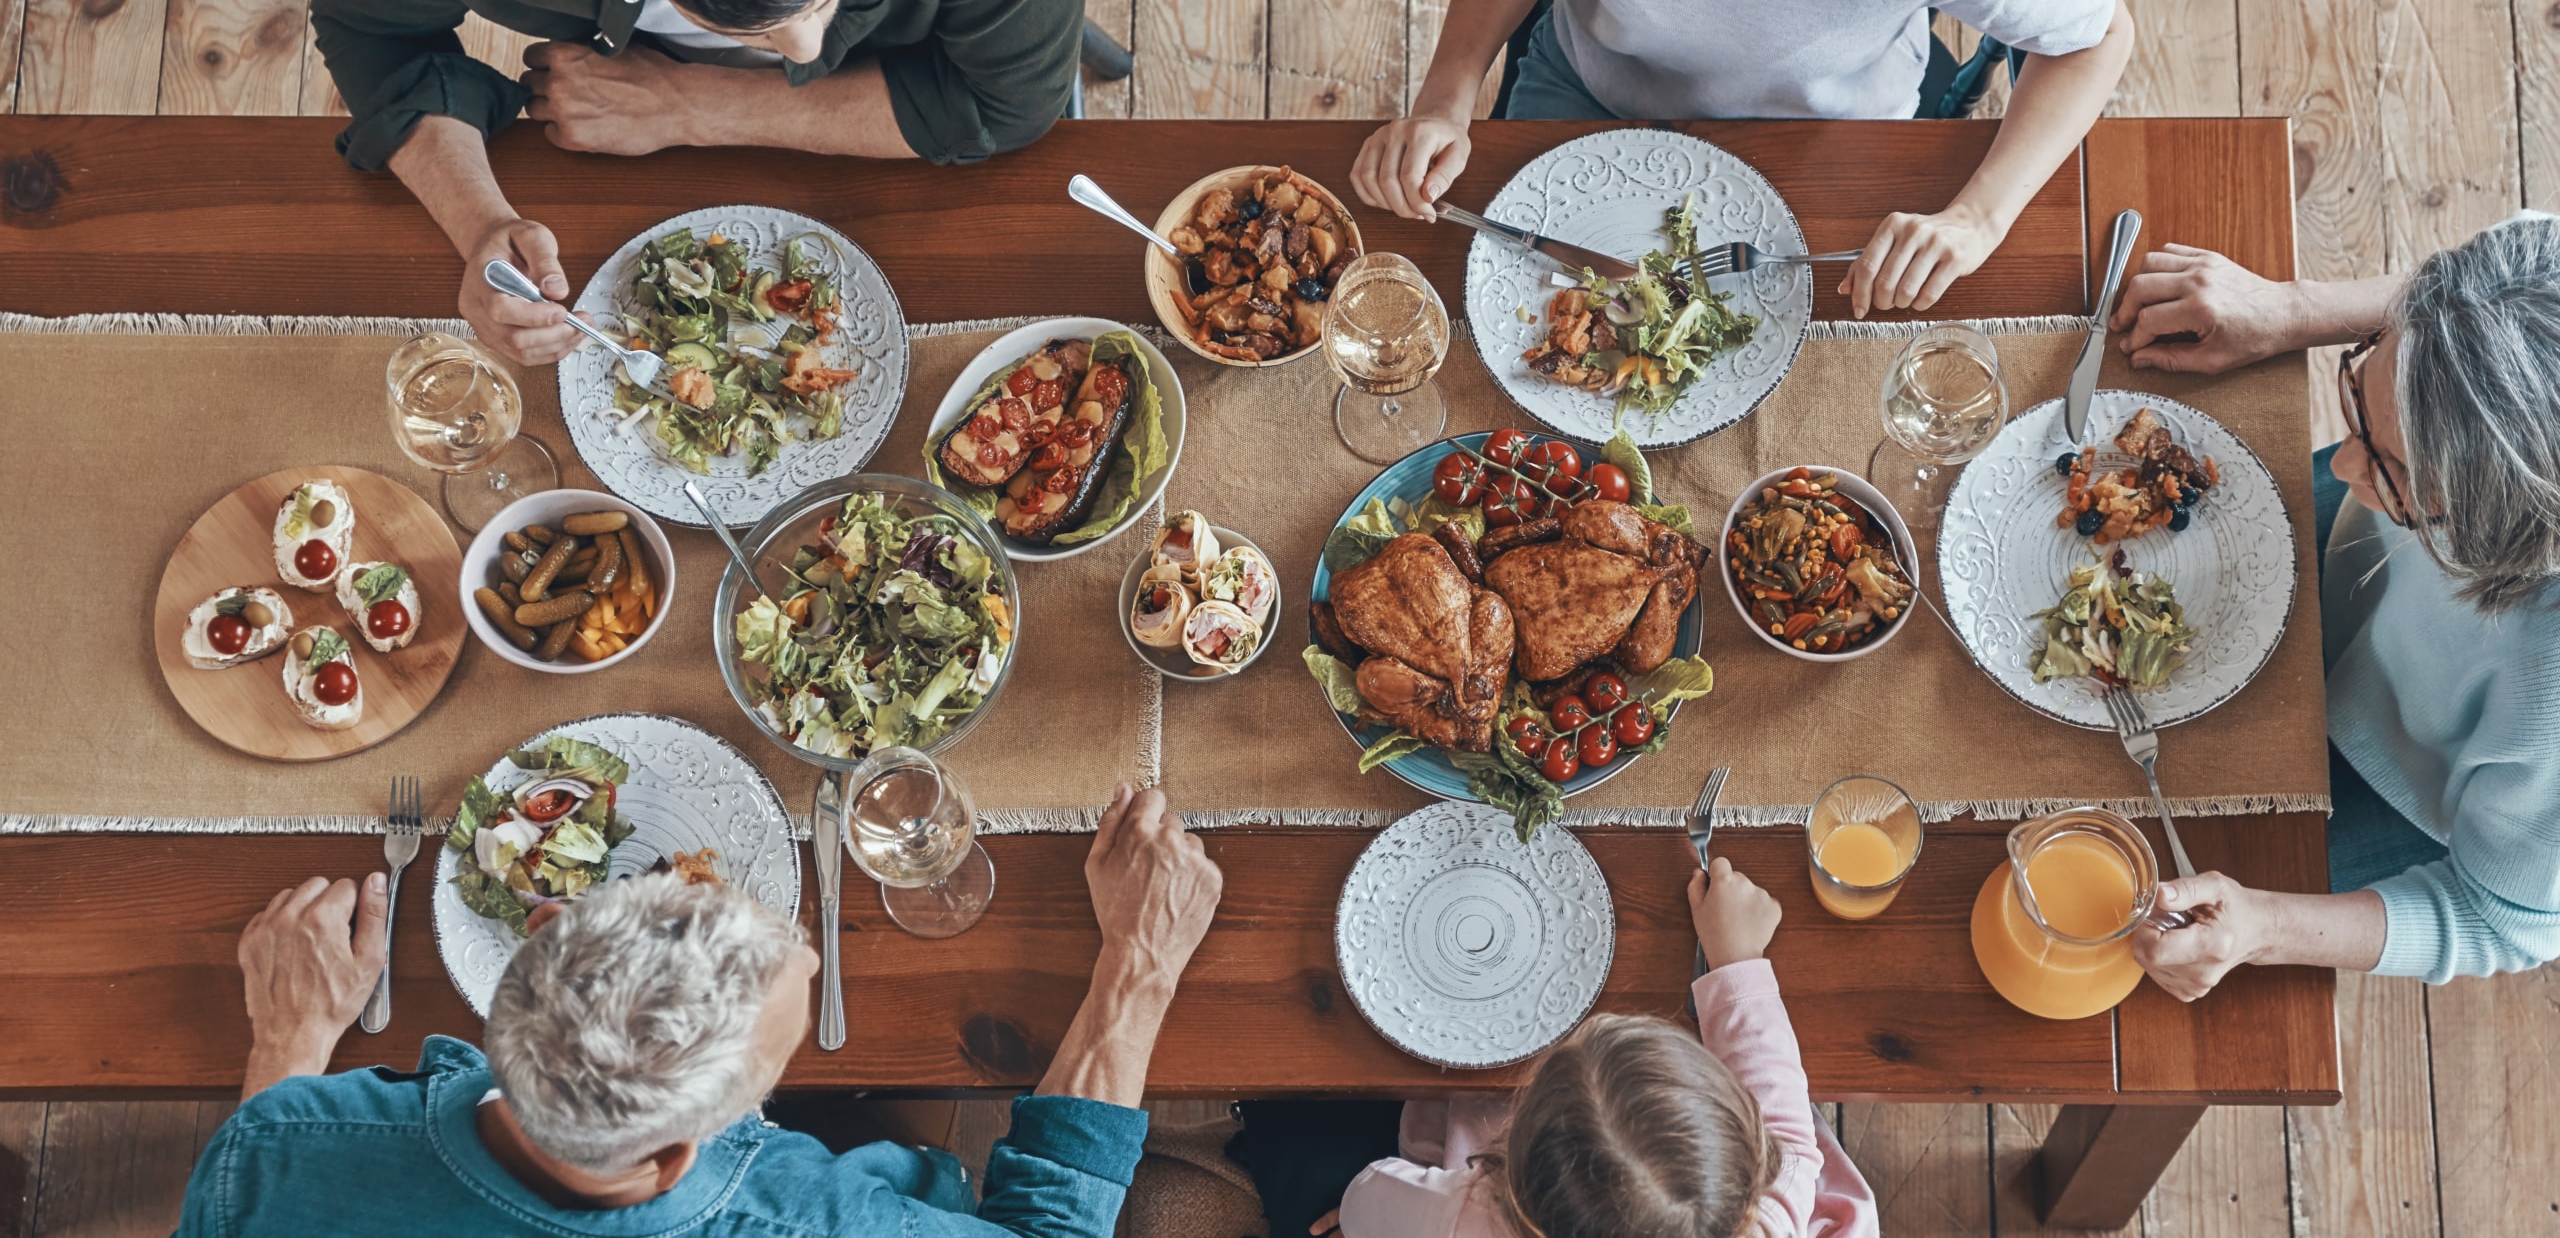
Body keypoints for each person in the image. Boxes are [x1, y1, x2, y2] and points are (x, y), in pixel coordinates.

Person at [176, 784, 1222, 1236]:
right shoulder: (814, 1221)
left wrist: (289, 1039)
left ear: (546, 924)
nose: (810, 949)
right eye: (774, 1059)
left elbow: (272, 1177)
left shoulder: (271, 1142)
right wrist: (1141, 959)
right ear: (681, 1157)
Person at [2107, 213, 2560, 991]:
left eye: (2391, 468)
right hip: (2362, 576)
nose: (2339, 459)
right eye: (2361, 393)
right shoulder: (2535, 287)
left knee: (2126, 912)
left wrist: (2264, 926)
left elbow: (2498, 914)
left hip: (2396, 779)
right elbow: (2452, 301)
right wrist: (2290, 310)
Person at [307, 0, 1083, 365]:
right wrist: (478, 223)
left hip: (915, 129)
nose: (804, 48)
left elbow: (1006, 103)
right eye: (746, 26)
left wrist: (689, 103)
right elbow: (368, 26)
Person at [1350, 0, 2134, 319]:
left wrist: (1979, 217)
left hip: (1834, 141)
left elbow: (2099, 39)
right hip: (1592, 86)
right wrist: (1445, 99)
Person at [1319, 854, 1877, 1237]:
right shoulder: (1760, 1221)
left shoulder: (1470, 1216)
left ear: (1513, 1167)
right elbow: (1790, 1141)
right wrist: (1737, 961)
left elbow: (1366, 1197)